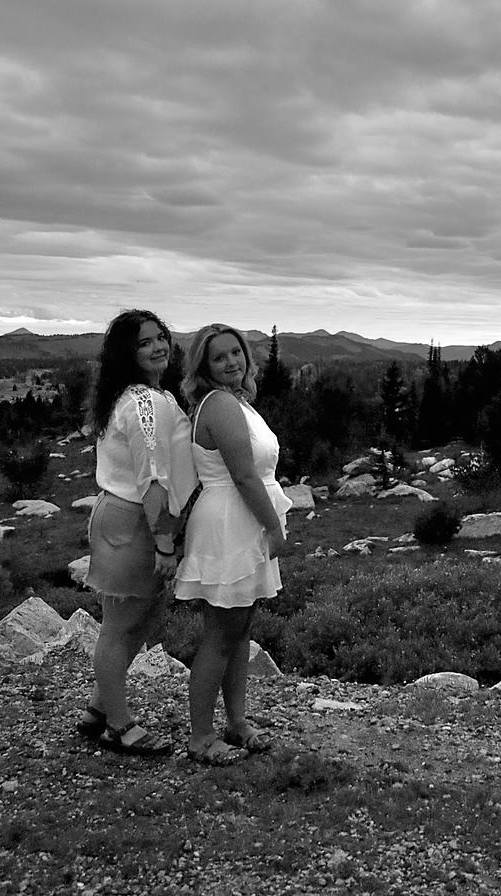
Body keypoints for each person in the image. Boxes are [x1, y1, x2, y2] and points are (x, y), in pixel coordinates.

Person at [76, 309, 196, 757]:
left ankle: (99, 706)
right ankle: (118, 725)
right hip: (133, 520)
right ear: (127, 353)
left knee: (142, 618)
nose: (157, 346)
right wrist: (164, 542)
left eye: (160, 337)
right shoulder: (144, 403)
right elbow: (152, 478)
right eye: (144, 342)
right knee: (120, 626)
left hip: (128, 517)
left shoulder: (145, 395)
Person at [174, 323, 293, 766]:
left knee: (240, 630)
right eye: (219, 357)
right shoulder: (221, 404)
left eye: (236, 352)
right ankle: (201, 736)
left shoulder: (236, 401)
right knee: (221, 635)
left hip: (240, 521)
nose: (231, 362)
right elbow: (243, 475)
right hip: (231, 522)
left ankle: (236, 721)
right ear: (204, 366)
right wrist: (273, 527)